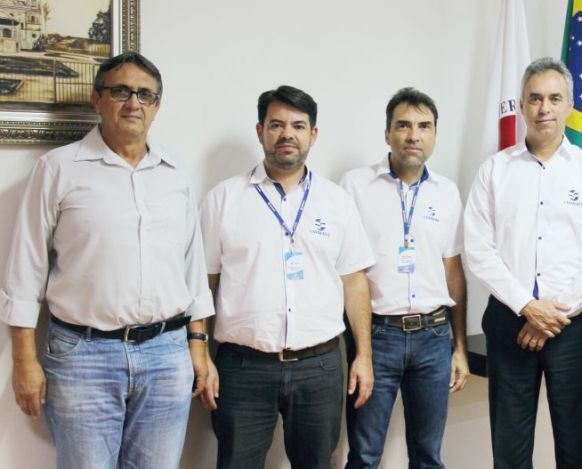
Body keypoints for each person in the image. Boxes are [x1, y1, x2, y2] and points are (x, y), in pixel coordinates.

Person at [0, 52, 215, 469]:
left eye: (145, 94)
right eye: (121, 91)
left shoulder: (174, 175)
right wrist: (23, 360)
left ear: (157, 106)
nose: (134, 103)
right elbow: (24, 270)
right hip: (84, 356)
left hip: (166, 354)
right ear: (97, 100)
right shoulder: (58, 169)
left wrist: (199, 347)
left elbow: (192, 270)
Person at [200, 85, 375, 469]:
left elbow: (355, 281)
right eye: (276, 125)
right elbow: (204, 285)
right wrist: (199, 356)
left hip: (320, 366)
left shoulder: (337, 202)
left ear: (313, 134)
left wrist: (364, 355)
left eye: (298, 125)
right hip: (243, 368)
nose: (287, 134)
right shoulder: (223, 199)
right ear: (260, 131)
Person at [463, 57, 582, 469]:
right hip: (509, 322)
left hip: (572, 325)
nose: (544, 108)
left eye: (554, 98)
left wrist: (553, 314)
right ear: (521, 105)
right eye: (534, 98)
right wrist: (527, 306)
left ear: (569, 105)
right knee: (509, 445)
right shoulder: (495, 170)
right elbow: (478, 248)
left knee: (577, 443)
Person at [340, 87, 469, 468]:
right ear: (387, 133)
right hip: (377, 336)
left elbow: (453, 271)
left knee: (428, 455)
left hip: (434, 338)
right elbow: (347, 271)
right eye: (404, 125)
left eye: (424, 126)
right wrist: (361, 350)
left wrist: (459, 347)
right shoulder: (354, 186)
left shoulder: (447, 192)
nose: (414, 135)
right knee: (364, 455)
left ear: (435, 135)